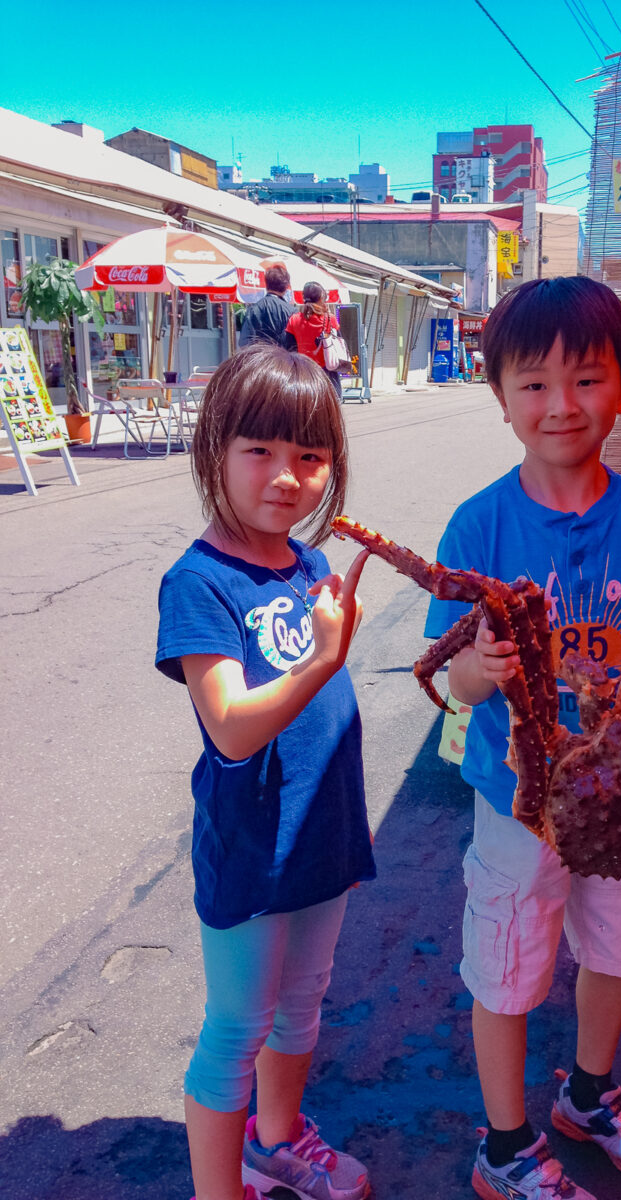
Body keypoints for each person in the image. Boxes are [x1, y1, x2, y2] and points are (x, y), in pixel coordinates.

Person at [423, 276, 621, 1200]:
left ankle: (588, 1093)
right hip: (519, 802)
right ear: (500, 396)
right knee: (506, 966)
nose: (560, 405)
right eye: (533, 383)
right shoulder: (479, 524)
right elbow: (446, 677)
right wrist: (479, 670)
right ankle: (504, 1144)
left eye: (585, 379)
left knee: (619, 946)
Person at [155, 344, 374, 1200]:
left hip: (324, 832)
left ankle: (277, 1138)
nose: (286, 476)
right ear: (215, 452)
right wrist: (323, 661)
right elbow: (233, 730)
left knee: (303, 1004)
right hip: (253, 848)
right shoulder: (200, 582)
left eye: (310, 457)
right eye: (261, 451)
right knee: (238, 1027)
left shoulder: (310, 562)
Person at [284, 281, 343, 401]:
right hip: (328, 373)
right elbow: (340, 343)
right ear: (321, 298)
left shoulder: (294, 320)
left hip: (304, 374)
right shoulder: (330, 319)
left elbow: (289, 348)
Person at [238, 265, 295, 348]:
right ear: (286, 287)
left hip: (260, 359)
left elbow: (244, 342)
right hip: (284, 359)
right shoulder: (292, 312)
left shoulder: (253, 309)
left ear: (266, 284)